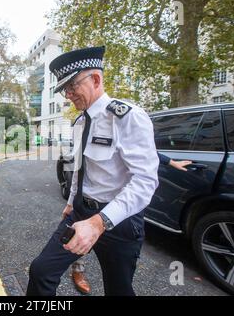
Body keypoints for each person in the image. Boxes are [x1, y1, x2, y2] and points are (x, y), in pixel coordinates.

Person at [26, 46, 159, 296]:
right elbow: (79, 167)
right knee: (41, 271)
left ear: (95, 79)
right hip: (80, 211)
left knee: (119, 289)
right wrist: (71, 200)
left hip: (118, 221)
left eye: (72, 86)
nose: (67, 95)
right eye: (64, 89)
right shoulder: (80, 121)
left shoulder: (128, 117)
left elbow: (145, 181)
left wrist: (100, 223)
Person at [70, 152, 192, 294]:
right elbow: (77, 168)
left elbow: (144, 149)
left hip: (119, 204)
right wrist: (72, 201)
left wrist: (170, 161)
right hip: (88, 199)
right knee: (79, 240)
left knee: (119, 273)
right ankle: (77, 270)